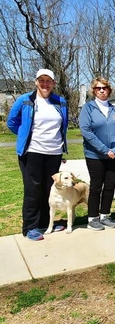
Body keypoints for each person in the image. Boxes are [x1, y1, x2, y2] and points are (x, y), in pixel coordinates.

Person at [7, 69, 68, 241]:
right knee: (33, 189)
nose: (45, 83)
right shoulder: (25, 100)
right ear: (35, 82)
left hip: (54, 152)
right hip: (32, 152)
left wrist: (61, 147)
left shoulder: (60, 102)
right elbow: (12, 122)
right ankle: (30, 227)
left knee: (48, 189)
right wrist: (24, 134)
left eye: (48, 80)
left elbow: (62, 125)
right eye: (41, 80)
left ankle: (45, 223)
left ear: (54, 83)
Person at [79, 77, 115, 231]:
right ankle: (93, 218)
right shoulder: (88, 108)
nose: (102, 90)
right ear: (94, 91)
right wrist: (105, 150)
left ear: (109, 90)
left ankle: (105, 215)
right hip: (95, 156)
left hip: (114, 156)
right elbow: (86, 131)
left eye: (104, 88)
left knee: (110, 185)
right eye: (98, 88)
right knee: (96, 186)